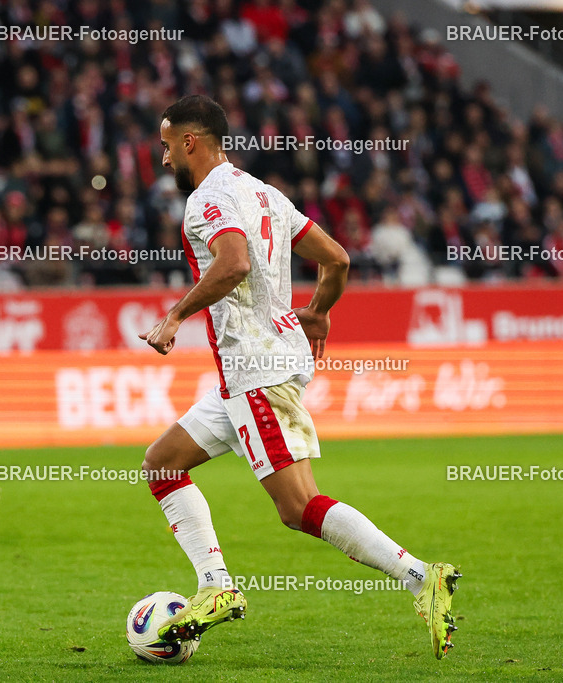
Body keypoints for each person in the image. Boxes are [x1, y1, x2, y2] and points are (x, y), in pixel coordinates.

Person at [139, 95, 460, 660]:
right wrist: (320, 312)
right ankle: (215, 587)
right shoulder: (264, 192)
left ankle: (420, 577)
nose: (164, 159)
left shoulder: (207, 199)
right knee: (162, 463)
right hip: (253, 373)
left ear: (190, 141)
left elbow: (234, 262)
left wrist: (174, 316)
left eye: (166, 146)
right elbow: (336, 259)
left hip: (256, 372)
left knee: (298, 507)